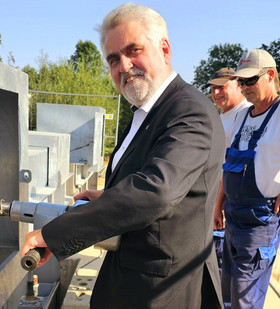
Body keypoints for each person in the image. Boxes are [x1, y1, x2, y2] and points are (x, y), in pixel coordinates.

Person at [21, 3, 225, 308]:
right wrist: (107, 197)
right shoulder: (147, 111)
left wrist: (56, 235)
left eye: (134, 50)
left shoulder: (189, 110)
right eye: (114, 59)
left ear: (164, 49)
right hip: (134, 276)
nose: (124, 66)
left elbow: (156, 191)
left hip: (163, 289)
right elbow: (150, 178)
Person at [217, 48, 280, 309]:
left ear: (271, 75)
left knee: (244, 296)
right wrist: (218, 205)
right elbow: (229, 166)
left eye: (251, 80)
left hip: (261, 220)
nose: (244, 86)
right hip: (233, 216)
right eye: (241, 81)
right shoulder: (241, 115)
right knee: (227, 289)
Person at [208, 68, 251, 277]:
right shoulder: (224, 116)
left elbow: (237, 168)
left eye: (221, 87)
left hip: (228, 205)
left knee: (222, 268)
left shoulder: (245, 116)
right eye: (213, 88)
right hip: (214, 200)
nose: (216, 93)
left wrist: (220, 204)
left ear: (237, 84)